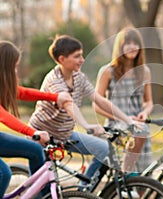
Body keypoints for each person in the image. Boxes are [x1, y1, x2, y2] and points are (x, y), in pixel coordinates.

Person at [29, 34, 138, 182]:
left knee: (105, 149)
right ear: (62, 59)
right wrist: (86, 125)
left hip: (65, 135)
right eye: (77, 56)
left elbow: (99, 99)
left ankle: (84, 188)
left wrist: (127, 120)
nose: (82, 60)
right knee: (43, 185)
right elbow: (69, 104)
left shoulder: (78, 77)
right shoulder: (54, 80)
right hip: (41, 137)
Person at [0, 41, 72, 197]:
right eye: (14, 66)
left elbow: (23, 93)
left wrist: (55, 97)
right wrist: (32, 132)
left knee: (35, 150)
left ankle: (43, 196)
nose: (16, 70)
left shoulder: (3, 84)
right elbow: (4, 116)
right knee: (3, 173)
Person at [94, 27, 153, 172]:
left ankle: (137, 185)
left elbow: (149, 102)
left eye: (136, 43)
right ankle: (125, 173)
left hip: (138, 125)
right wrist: (123, 118)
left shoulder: (144, 71)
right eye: (128, 43)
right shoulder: (107, 71)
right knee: (140, 132)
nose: (132, 47)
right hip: (116, 124)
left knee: (144, 174)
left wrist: (145, 113)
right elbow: (97, 105)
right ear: (120, 47)